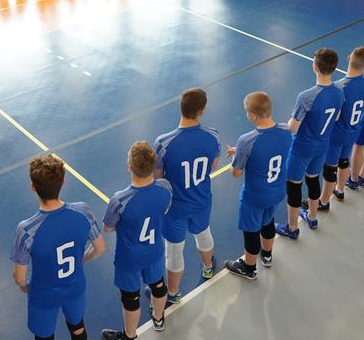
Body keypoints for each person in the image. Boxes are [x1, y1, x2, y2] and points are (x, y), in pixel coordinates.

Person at [11, 155, 105, 340]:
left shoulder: (27, 230)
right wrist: (81, 260)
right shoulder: (83, 211)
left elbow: (19, 278)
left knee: (44, 336)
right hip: (75, 288)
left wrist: (26, 288)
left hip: (44, 296)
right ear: (63, 182)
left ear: (33, 187)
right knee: (77, 327)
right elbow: (100, 248)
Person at [100, 141, 172, 340]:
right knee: (158, 285)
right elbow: (165, 209)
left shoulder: (120, 200)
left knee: (130, 298)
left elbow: (108, 228)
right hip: (155, 251)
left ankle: (129, 335)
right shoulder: (165, 187)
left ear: (129, 166)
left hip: (129, 259)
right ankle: (158, 318)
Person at [153, 88, 220, 303]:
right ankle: (208, 267)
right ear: (202, 110)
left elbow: (158, 179)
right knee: (203, 233)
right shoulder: (212, 135)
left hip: (175, 207)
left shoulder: (163, 142)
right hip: (201, 200)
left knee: (174, 249)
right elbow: (213, 165)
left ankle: (173, 293)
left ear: (181, 108)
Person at [275, 48, 343, 239]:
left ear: (315, 67)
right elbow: (337, 117)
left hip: (302, 148)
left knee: (294, 185)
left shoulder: (306, 96)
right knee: (313, 179)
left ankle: (292, 227)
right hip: (322, 146)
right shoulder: (339, 93)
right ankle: (312, 217)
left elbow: (293, 127)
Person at [224, 91, 291, 280]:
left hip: (255, 196)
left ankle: (249, 267)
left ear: (252, 115)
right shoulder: (286, 130)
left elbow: (236, 173)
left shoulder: (247, 140)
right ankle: (267, 255)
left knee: (251, 230)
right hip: (277, 191)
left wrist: (237, 157)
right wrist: (241, 151)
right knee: (267, 221)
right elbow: (270, 148)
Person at [320, 47, 364, 204]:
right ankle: (340, 189)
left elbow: (334, 116)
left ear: (349, 58)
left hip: (337, 134)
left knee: (330, 167)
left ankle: (324, 201)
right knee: (344, 161)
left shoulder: (339, 87)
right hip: (353, 130)